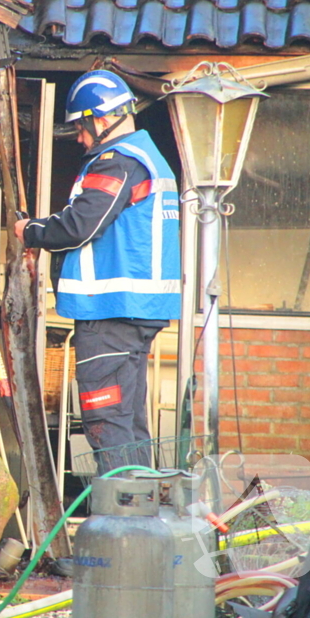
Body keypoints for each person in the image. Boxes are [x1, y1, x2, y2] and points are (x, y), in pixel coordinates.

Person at [13, 70, 181, 473]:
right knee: (128, 419)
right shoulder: (146, 158)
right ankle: (138, 501)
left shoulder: (118, 161)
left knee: (106, 418)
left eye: (80, 128)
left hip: (111, 312)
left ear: (101, 119)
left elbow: (80, 225)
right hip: (133, 311)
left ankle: (123, 506)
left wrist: (30, 230)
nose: (79, 139)